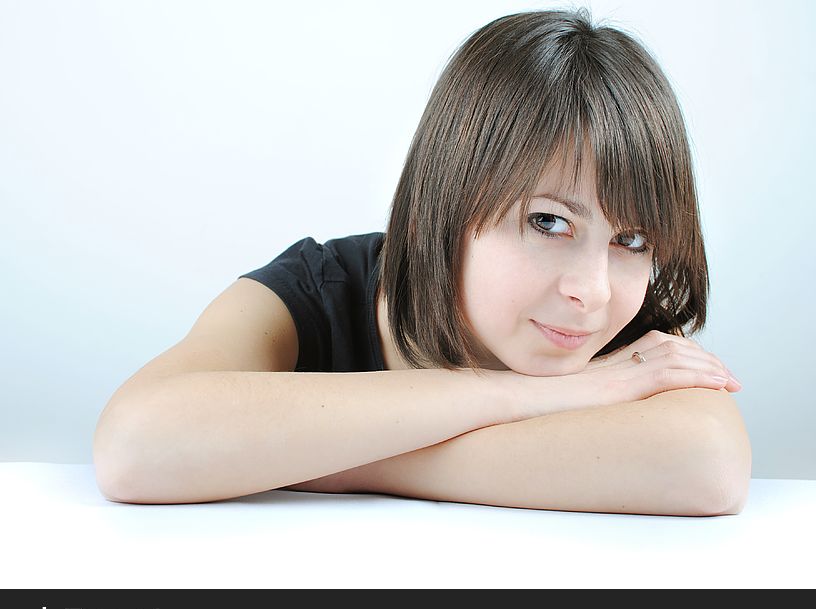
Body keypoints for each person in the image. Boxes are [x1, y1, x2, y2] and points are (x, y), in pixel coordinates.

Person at [93, 8, 751, 515]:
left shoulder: (618, 331)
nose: (594, 289)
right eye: (548, 221)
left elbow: (709, 461)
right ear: (447, 204)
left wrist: (337, 460)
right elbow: (135, 444)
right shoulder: (313, 291)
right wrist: (525, 397)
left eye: (631, 241)